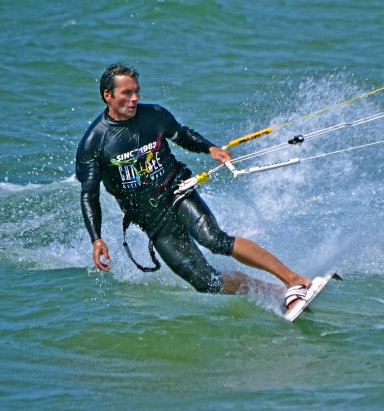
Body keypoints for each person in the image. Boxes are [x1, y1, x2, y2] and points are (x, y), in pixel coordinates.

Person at [76, 63, 311, 306]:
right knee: (206, 283)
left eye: (137, 91)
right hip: (151, 219)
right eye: (127, 93)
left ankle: (293, 280)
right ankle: (274, 291)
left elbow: (181, 134)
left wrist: (210, 148)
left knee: (214, 239)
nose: (134, 98)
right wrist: (96, 238)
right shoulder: (94, 143)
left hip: (177, 190)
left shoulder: (154, 115)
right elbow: (89, 195)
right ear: (108, 95)